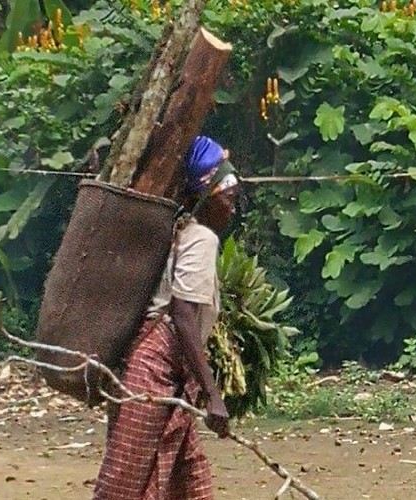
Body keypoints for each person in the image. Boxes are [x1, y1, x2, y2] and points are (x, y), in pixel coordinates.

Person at [93, 136, 240, 500]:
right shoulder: (202, 238)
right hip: (153, 374)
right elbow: (183, 315)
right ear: (207, 197)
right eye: (228, 198)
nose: (233, 210)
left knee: (187, 476)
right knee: (125, 484)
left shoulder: (182, 230)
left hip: (159, 372)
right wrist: (213, 394)